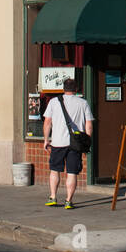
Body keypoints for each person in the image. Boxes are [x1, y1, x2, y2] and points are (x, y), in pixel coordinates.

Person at [41, 76, 94, 209]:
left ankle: (53, 196)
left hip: (58, 142)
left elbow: (47, 122)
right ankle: (68, 200)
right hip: (75, 144)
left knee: (55, 170)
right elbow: (89, 125)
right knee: (72, 172)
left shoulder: (54, 102)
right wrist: (86, 140)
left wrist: (46, 139)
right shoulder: (83, 103)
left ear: (63, 89)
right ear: (76, 89)